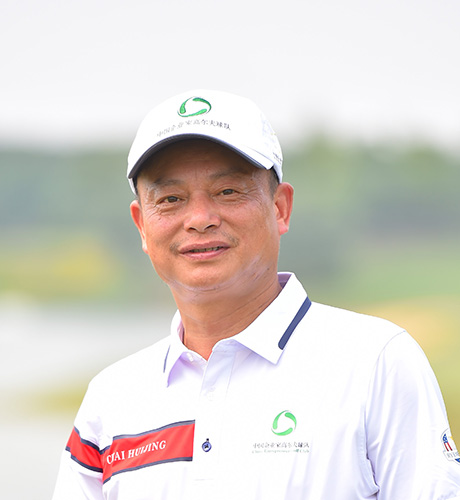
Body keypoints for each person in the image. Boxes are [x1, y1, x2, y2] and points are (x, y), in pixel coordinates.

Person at [52, 89, 460, 499]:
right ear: (142, 225)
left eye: (228, 192)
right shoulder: (112, 397)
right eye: (171, 199)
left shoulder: (376, 362)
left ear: (280, 208)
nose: (199, 219)